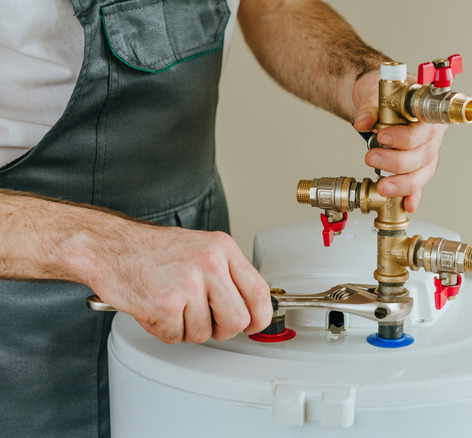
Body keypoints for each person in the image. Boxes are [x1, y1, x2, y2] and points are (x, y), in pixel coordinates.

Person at [0, 0, 447, 436]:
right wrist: (109, 249)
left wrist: (360, 78)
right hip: (21, 317)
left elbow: (273, 6)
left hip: (198, 276)